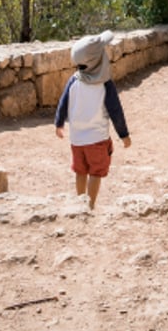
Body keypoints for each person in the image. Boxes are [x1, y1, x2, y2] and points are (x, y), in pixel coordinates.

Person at [54, 30, 131, 209]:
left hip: (77, 139)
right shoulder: (105, 84)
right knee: (95, 172)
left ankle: (80, 203)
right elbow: (115, 111)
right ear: (99, 60)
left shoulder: (73, 80)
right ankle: (90, 204)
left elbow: (63, 103)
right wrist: (124, 135)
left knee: (80, 171)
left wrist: (59, 123)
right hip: (97, 139)